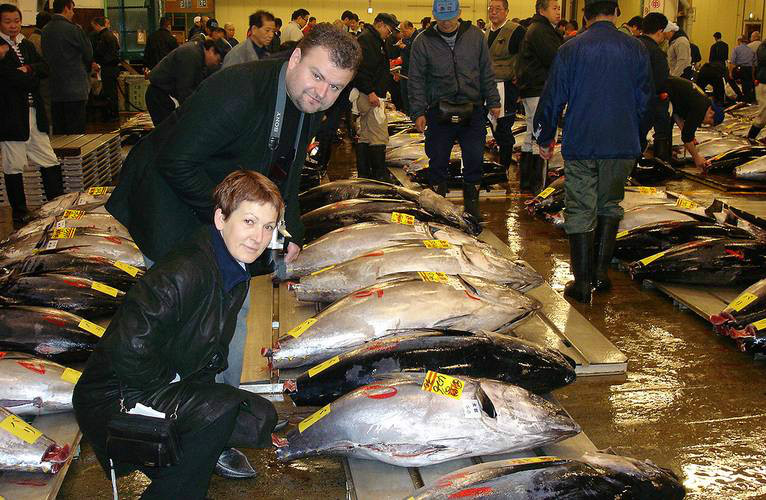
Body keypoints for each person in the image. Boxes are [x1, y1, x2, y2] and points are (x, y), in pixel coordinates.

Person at [74, 170, 285, 498]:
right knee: (220, 410)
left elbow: (209, 346)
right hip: (116, 394)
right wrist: (175, 382)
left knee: (258, 417)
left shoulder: (233, 268)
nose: (258, 237)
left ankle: (178, 477)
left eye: (268, 227)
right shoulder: (184, 272)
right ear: (221, 218)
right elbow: (128, 350)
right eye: (249, 221)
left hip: (153, 382)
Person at [533, 0, 652, 304]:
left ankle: (583, 283)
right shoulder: (636, 48)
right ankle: (601, 275)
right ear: (616, 13)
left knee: (580, 209)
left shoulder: (570, 49)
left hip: (583, 141)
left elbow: (553, 97)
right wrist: (637, 139)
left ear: (584, 16)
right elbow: (645, 101)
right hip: (622, 142)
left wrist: (544, 136)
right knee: (610, 204)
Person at [409, 0, 500, 221]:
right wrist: (418, 112)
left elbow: (486, 71)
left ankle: (471, 209)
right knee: (437, 161)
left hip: (473, 108)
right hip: (438, 111)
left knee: (474, 159)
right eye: (442, 19)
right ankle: (438, 210)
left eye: (450, 18)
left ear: (459, 13)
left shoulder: (476, 36)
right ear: (434, 16)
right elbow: (416, 79)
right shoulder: (423, 41)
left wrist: (494, 100)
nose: (447, 23)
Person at [0, 3, 64, 227]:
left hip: (34, 113)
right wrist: (28, 76)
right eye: (7, 22)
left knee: (49, 158)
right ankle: (20, 213)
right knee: (14, 164)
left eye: (17, 21)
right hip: (10, 117)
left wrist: (28, 69)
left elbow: (44, 68)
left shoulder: (25, 44)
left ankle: (57, 204)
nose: (13, 25)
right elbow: (9, 78)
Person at [516, 0, 563, 193]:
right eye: (554, 8)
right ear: (542, 10)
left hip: (533, 89)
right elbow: (555, 59)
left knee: (531, 133)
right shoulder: (541, 31)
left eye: (559, 8)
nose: (558, 12)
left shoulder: (539, 28)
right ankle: (538, 185)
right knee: (542, 134)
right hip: (539, 89)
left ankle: (528, 182)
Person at [353, 13, 399, 181]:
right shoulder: (368, 40)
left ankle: (365, 174)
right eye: (389, 29)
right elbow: (362, 69)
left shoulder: (374, 39)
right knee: (379, 134)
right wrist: (371, 91)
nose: (389, 33)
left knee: (366, 134)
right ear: (380, 24)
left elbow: (376, 67)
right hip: (370, 95)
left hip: (369, 93)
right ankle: (379, 175)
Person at [145, 38, 230, 125]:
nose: (216, 64)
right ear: (211, 50)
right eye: (218, 60)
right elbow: (185, 91)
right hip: (159, 96)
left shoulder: (198, 54)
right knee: (168, 131)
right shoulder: (192, 54)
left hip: (164, 95)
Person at [41, 0, 93, 134]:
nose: (73, 13)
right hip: (75, 87)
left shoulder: (45, 30)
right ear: (66, 8)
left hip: (54, 86)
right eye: (72, 9)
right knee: (76, 132)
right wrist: (87, 70)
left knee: (60, 131)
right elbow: (88, 54)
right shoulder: (73, 29)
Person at [485, 0, 525, 169]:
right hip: (488, 86)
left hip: (506, 87)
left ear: (506, 11)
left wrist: (520, 79)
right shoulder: (487, 31)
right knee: (492, 127)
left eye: (498, 9)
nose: (493, 12)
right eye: (491, 9)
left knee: (503, 128)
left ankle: (505, 167)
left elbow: (525, 55)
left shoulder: (516, 31)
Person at [665, 76, 724, 170]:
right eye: (709, 122)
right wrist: (697, 158)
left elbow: (676, 113)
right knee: (663, 129)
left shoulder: (703, 101)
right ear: (711, 113)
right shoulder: (700, 109)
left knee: (667, 127)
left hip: (667, 89)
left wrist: (688, 133)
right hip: (661, 89)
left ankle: (667, 158)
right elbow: (686, 137)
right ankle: (663, 162)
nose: (705, 123)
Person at [638, 12, 671, 162]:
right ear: (659, 31)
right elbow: (661, 82)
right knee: (661, 128)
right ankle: (661, 163)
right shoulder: (657, 53)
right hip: (647, 103)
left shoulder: (631, 45)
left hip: (625, 102)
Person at [91, 16, 120, 121]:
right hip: (114, 67)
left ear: (97, 25)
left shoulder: (103, 36)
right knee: (113, 92)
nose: (94, 29)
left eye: (94, 26)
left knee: (109, 92)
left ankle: (112, 115)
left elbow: (99, 52)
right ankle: (114, 113)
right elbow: (117, 48)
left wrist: (95, 61)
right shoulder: (111, 35)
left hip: (107, 67)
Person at [26, 11, 52, 131]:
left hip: (40, 76)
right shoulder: (37, 39)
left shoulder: (33, 37)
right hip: (41, 78)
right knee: (45, 103)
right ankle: (47, 129)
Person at [731, 35, 756, 103]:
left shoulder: (736, 49)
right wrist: (753, 75)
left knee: (729, 79)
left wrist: (730, 73)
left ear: (739, 41)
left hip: (740, 69)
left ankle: (739, 94)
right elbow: (754, 64)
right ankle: (747, 99)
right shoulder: (751, 50)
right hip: (749, 69)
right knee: (746, 85)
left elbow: (732, 62)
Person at [749, 42, 766, 140]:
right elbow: (763, 59)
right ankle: (750, 139)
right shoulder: (763, 46)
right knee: (762, 116)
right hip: (764, 83)